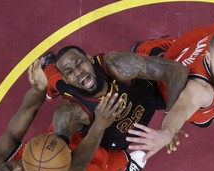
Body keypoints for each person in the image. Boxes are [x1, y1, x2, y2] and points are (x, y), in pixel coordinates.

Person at [0, 58, 146, 171]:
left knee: (66, 114)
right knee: (123, 160)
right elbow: (80, 161)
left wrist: (38, 88)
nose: (18, 167)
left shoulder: (3, 153)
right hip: (90, 167)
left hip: (63, 141)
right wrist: (99, 126)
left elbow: (28, 109)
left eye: (10, 166)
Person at [127, 14, 214, 160]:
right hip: (168, 85)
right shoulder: (199, 90)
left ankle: (162, 47)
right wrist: (167, 133)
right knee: (212, 115)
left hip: (194, 42)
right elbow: (180, 109)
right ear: (208, 58)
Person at [41, 47, 189, 151]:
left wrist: (170, 121)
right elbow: (57, 149)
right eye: (69, 71)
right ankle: (50, 68)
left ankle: (148, 47)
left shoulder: (115, 64)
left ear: (89, 58)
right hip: (116, 142)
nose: (78, 71)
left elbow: (177, 70)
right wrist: (48, 163)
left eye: (80, 63)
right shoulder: (69, 112)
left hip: (149, 97)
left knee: (192, 91)